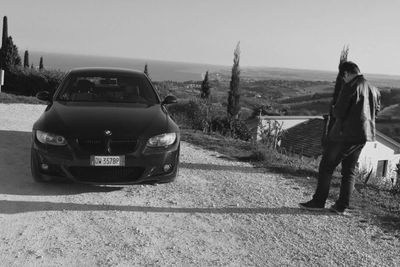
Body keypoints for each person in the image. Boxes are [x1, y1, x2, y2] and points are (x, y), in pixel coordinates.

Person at [299, 61, 381, 214]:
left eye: (343, 77)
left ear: (346, 73)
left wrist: (334, 109)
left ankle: (318, 201)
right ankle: (341, 206)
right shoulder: (374, 89)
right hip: (363, 135)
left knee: (326, 167)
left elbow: (339, 113)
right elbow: (376, 111)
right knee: (349, 170)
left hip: (344, 135)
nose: (343, 80)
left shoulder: (350, 87)